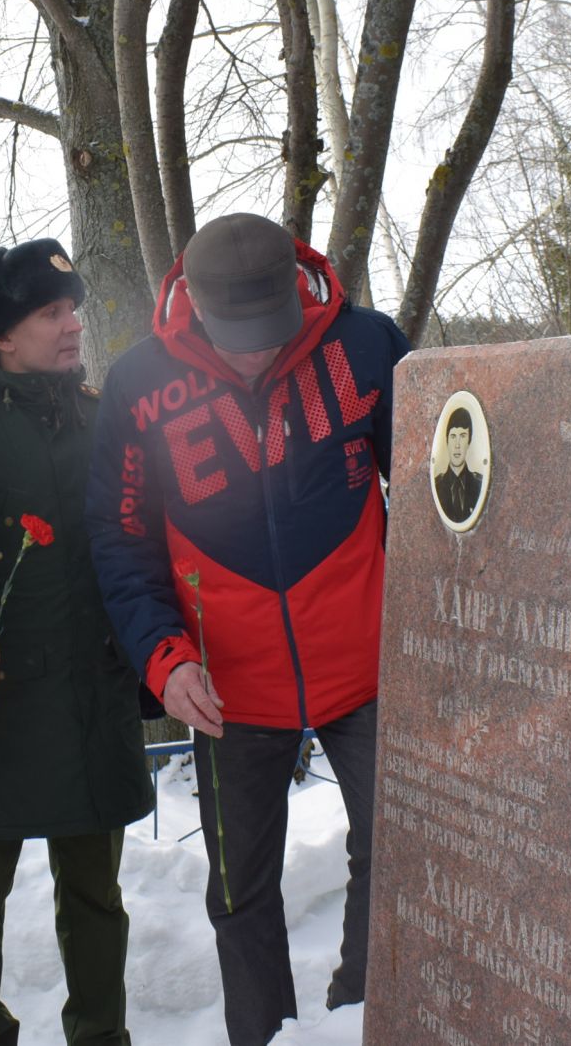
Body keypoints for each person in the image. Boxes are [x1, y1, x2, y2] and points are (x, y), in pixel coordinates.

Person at [84, 213, 411, 1046]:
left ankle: (361, 1015)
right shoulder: (136, 383)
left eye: (269, 333)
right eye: (234, 338)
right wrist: (163, 658)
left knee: (401, 850)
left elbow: (442, 491)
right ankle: (265, 1037)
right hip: (227, 682)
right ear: (190, 304)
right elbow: (121, 539)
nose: (254, 355)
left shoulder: (369, 345)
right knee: (239, 890)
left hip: (367, 664)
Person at [0, 238, 153, 1046]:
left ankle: (100, 1033)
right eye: (51, 312)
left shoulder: (100, 419)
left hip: (92, 698)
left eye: (73, 307)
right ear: (2, 337)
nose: (72, 323)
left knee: (96, 895)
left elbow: (138, 543)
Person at [433, 407, 483, 523]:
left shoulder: (479, 483)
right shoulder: (438, 484)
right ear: (447, 440)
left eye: (463, 436)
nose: (457, 445)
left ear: (469, 441)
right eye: (453, 436)